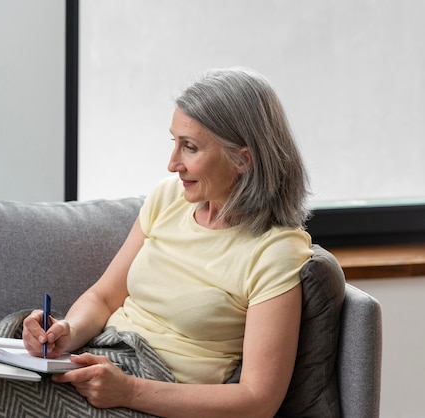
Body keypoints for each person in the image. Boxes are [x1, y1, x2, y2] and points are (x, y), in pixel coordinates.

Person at [23, 67, 314, 418]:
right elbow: (103, 297)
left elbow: (258, 400)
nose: (172, 163)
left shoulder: (275, 250)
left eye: (189, 147)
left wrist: (128, 391)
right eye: (173, 142)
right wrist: (65, 333)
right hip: (106, 358)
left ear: (243, 159)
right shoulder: (169, 198)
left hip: (151, 393)